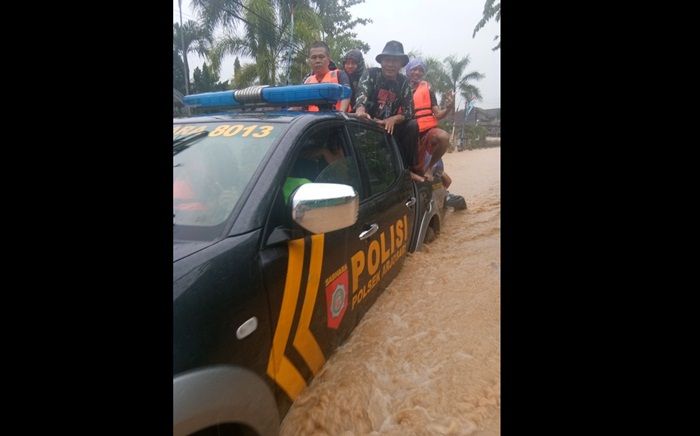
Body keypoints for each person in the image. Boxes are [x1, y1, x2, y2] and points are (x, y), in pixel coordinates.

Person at [354, 40, 421, 181]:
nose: (390, 64)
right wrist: (360, 110)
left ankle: (408, 168)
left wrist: (393, 119)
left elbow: (409, 112)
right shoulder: (371, 74)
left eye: (395, 61)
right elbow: (362, 94)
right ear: (381, 62)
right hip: (369, 123)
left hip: (390, 128)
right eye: (387, 60)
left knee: (413, 125)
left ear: (401, 64)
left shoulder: (403, 83)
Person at [405, 58, 454, 182]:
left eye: (420, 70)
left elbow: (437, 114)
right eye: (414, 69)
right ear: (408, 71)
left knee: (443, 137)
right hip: (407, 132)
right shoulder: (400, 87)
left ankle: (430, 167)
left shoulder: (427, 90)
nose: (417, 72)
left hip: (426, 133)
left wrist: (448, 108)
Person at [303, 41, 351, 112]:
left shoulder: (339, 75)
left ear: (328, 59)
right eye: (314, 57)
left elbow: (347, 94)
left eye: (321, 57)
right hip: (312, 121)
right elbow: (298, 104)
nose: (317, 60)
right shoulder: (307, 81)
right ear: (309, 61)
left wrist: (341, 113)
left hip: (335, 120)